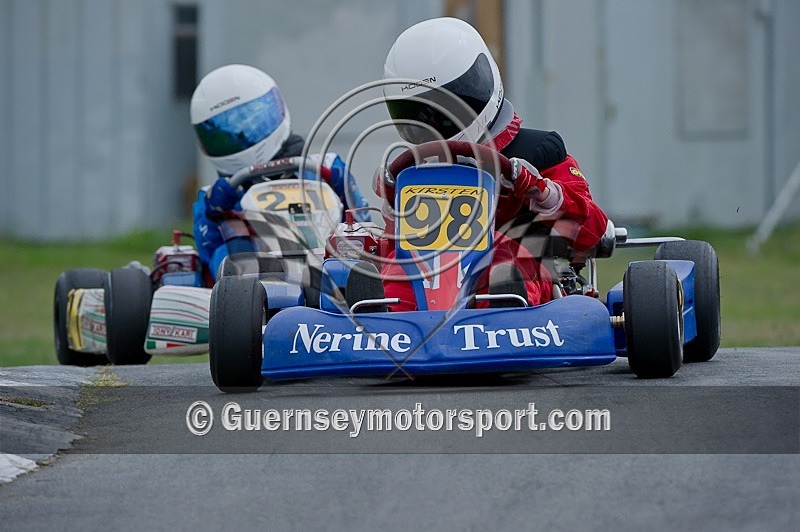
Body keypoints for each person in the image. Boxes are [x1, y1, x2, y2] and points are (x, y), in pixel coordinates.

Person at [378, 17, 609, 310]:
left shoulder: (537, 151)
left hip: (516, 267)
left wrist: (543, 192)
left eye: (443, 111)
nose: (430, 125)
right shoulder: (414, 168)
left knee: (504, 263)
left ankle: (506, 310)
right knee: (393, 270)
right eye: (418, 116)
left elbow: (593, 231)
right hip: (427, 272)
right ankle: (380, 317)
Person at [190, 64, 370, 281]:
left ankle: (357, 289)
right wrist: (214, 213)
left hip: (332, 267)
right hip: (256, 287)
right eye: (226, 132)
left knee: (357, 239)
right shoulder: (214, 197)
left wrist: (341, 188)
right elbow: (209, 255)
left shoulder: (326, 167)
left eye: (250, 121)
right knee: (224, 253)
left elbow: (364, 222)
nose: (243, 134)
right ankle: (247, 298)